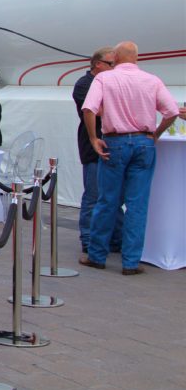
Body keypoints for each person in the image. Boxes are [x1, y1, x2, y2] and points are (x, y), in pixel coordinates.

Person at [80, 41, 179, 275]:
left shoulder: (105, 79)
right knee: (137, 204)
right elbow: (172, 111)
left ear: (115, 57)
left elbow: (89, 109)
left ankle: (97, 255)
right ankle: (131, 262)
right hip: (144, 142)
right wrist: (156, 133)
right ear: (136, 58)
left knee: (107, 200)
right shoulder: (152, 79)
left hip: (115, 141)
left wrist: (94, 138)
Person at [73, 47, 123, 254]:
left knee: (114, 195)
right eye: (111, 64)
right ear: (98, 64)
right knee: (93, 194)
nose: (115, 68)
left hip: (111, 143)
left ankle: (116, 238)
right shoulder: (84, 84)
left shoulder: (110, 81)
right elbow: (96, 110)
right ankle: (88, 238)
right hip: (92, 145)